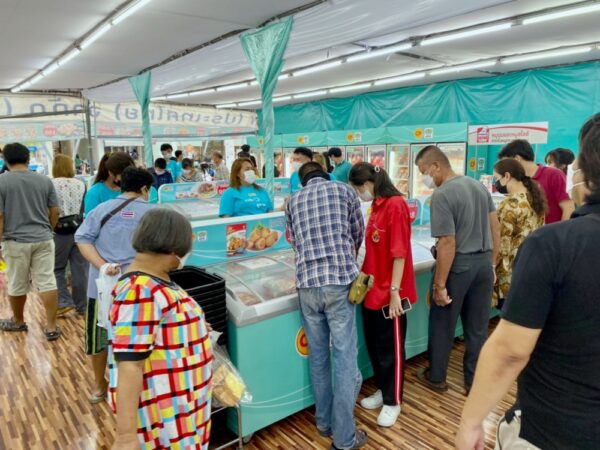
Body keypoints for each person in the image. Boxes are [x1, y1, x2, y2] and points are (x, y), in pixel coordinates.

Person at [455, 114, 600, 450]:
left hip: (553, 428)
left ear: (587, 173)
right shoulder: (537, 204)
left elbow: (510, 349)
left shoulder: (555, 243)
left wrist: (471, 422)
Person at [109, 208, 213, 450]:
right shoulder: (139, 291)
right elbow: (130, 364)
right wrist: (125, 437)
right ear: (174, 247)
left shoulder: (156, 280)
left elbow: (161, 327)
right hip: (164, 415)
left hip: (182, 406)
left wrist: (194, 326)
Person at [285, 161, 368, 450]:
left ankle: (324, 422)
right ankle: (344, 439)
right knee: (344, 358)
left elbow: (294, 241)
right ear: (325, 173)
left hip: (307, 284)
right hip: (339, 282)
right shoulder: (344, 191)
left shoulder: (293, 200)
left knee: (318, 356)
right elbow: (358, 233)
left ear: (302, 180)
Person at [414, 145, 500, 395]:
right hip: (483, 265)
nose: (424, 177)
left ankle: (436, 377)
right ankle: (473, 380)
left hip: (458, 267)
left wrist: (440, 285)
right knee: (477, 328)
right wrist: (492, 263)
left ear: (436, 166)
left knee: (443, 325)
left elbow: (447, 242)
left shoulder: (442, 194)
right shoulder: (478, 186)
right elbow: (495, 227)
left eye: (423, 171)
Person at [75, 167, 154, 404]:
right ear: (145, 189)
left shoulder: (101, 209)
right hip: (139, 288)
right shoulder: (153, 213)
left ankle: (99, 386)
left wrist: (103, 266)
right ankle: (136, 387)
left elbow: (82, 238)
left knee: (98, 337)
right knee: (137, 337)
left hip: (101, 287)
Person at [349, 163, 417, 428]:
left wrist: (395, 292)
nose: (359, 194)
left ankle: (393, 400)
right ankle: (382, 388)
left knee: (391, 350)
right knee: (376, 346)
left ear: (368, 183)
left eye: (358, 189)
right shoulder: (375, 206)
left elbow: (399, 253)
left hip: (390, 293)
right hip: (371, 290)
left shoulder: (396, 205)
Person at [0, 143, 61, 340]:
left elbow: (0, 217)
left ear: (5, 160)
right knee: (47, 281)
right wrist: (48, 229)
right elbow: (55, 210)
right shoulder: (44, 180)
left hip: (14, 240)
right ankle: (51, 327)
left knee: (17, 282)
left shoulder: (1, 182)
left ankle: (18, 321)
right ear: (28, 159)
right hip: (43, 238)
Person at [492, 159, 546, 309]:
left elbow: (503, 244)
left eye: (497, 178)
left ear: (507, 176)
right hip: (531, 267)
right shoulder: (535, 198)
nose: (496, 183)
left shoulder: (510, 204)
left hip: (510, 274)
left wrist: (492, 267)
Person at [499, 139, 574, 223]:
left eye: (506, 163)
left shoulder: (554, 175)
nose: (505, 168)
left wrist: (561, 230)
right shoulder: (517, 180)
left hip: (552, 230)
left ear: (517, 159)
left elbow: (568, 208)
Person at [52, 154, 89, 316]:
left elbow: (50, 208)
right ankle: (82, 306)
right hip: (79, 229)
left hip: (59, 230)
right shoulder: (81, 184)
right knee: (80, 269)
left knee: (57, 268)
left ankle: (64, 301)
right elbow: (83, 209)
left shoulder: (50, 183)